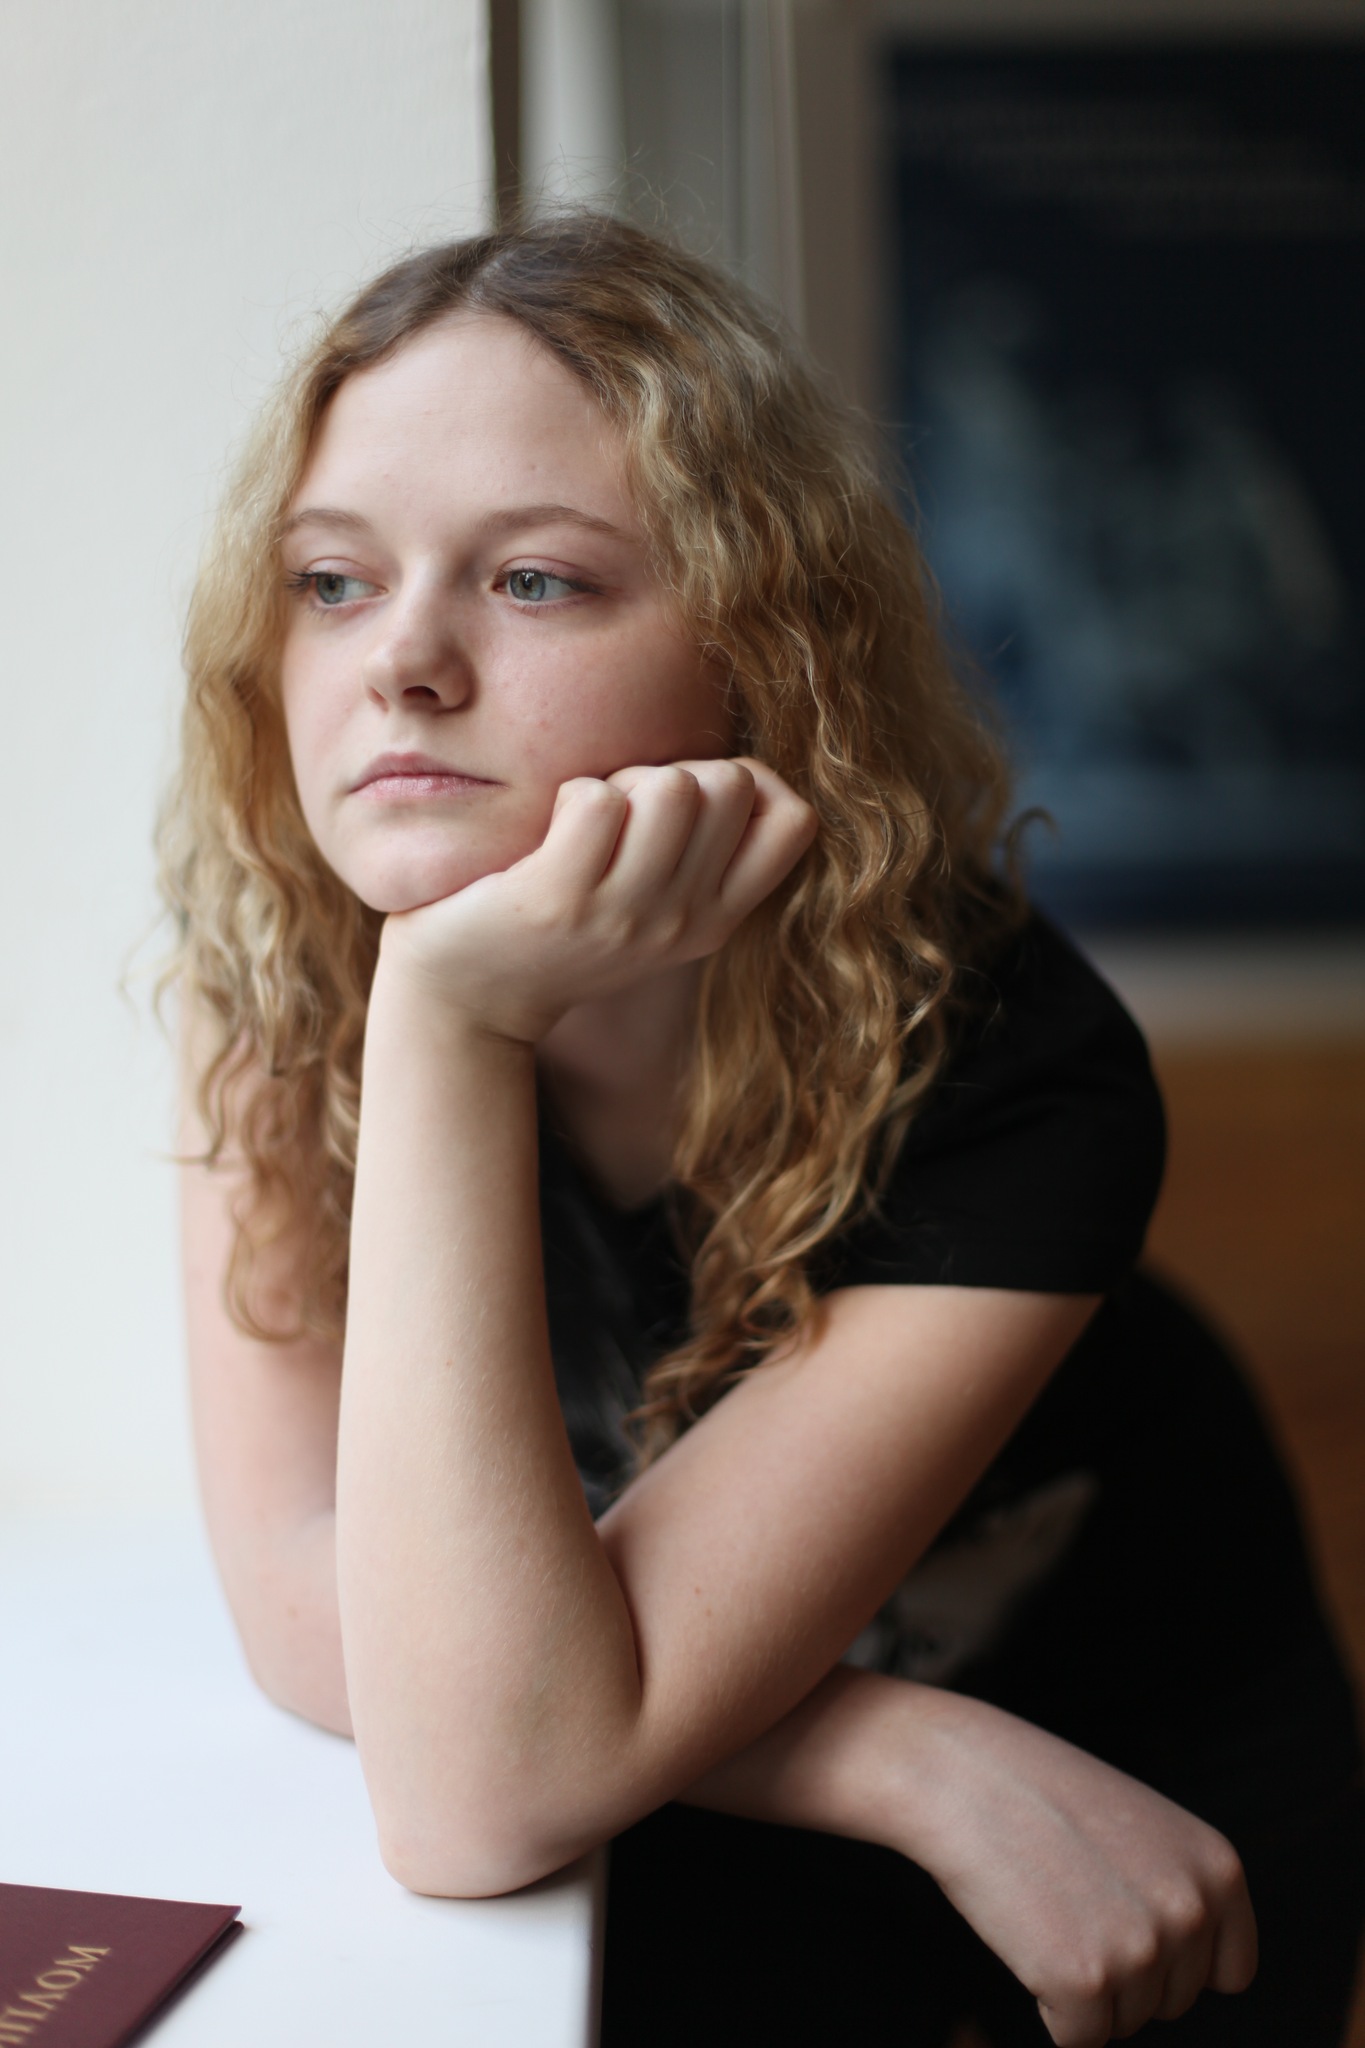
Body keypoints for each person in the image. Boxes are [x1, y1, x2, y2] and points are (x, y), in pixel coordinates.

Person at [160, 212, 1364, 2047]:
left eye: (535, 581)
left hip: (1111, 1818)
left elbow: (483, 1770)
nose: (401, 659)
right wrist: (889, 1753)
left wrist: (450, 1020)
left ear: (762, 651)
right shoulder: (274, 984)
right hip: (771, 1801)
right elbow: (396, 1691)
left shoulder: (1011, 1062)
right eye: (331, 580)